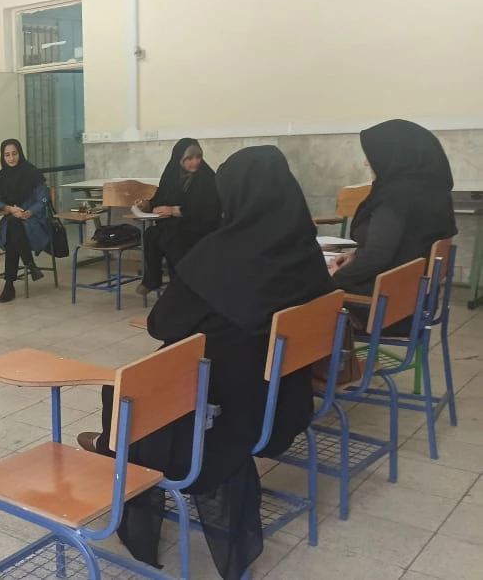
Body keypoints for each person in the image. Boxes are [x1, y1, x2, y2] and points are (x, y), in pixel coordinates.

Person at [78, 146, 333, 579]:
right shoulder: (304, 250)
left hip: (225, 418)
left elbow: (161, 323)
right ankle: (114, 448)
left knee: (127, 390)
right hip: (283, 406)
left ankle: (115, 450)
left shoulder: (220, 253)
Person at [331, 119, 457, 297]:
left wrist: (336, 277)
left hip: (384, 296)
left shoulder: (394, 199)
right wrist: (355, 256)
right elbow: (405, 245)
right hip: (414, 293)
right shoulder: (432, 191)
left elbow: (377, 255)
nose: (366, 162)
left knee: (303, 289)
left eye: (372, 155)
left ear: (393, 156)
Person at [135, 138, 220, 295]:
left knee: (170, 239)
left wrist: (175, 210)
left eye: (198, 157)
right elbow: (161, 199)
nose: (195, 162)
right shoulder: (172, 174)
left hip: (200, 227)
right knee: (150, 235)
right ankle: (152, 279)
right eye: (189, 158)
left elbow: (209, 209)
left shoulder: (207, 177)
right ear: (179, 159)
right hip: (176, 225)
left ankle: (179, 284)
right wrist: (146, 205)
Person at [0, 139, 52, 303]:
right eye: (7, 155)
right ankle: (30, 264)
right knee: (13, 226)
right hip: (13, 220)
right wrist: (10, 209)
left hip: (33, 222)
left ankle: (9, 285)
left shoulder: (32, 173)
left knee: (12, 230)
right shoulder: (1, 176)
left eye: (14, 154)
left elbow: (44, 199)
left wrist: (29, 212)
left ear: (20, 153)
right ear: (3, 157)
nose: (11, 158)